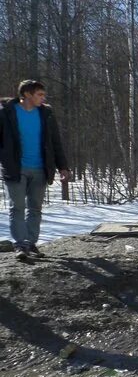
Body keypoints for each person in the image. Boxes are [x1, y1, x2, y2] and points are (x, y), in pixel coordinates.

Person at [0, 80, 70, 259]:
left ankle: (31, 243)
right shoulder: (6, 112)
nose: (43, 98)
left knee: (35, 208)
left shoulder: (46, 113)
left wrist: (62, 166)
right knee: (17, 207)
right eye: (39, 94)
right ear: (27, 95)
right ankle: (20, 245)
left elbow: (55, 142)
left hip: (40, 168)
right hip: (16, 168)